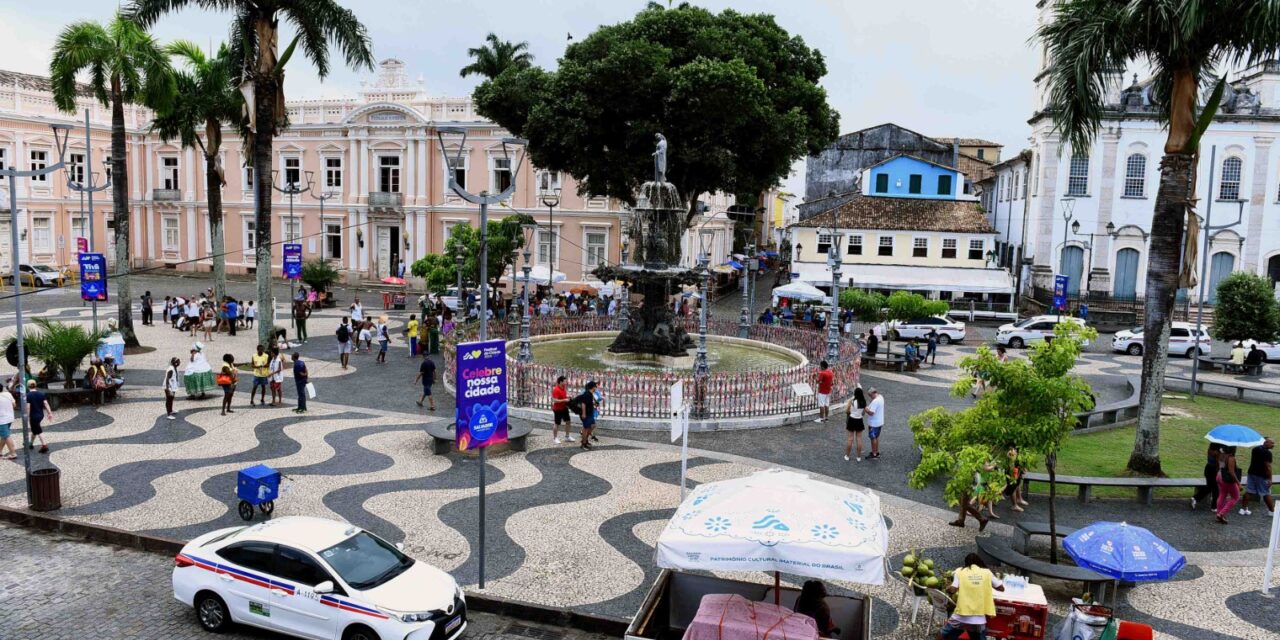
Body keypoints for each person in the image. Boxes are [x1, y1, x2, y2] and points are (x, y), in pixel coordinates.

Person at [941, 554, 1004, 640]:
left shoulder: (960, 571)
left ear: (966, 563)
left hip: (961, 614)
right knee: (977, 636)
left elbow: (953, 590)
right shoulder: (987, 572)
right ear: (979, 562)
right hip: (979, 617)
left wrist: (947, 588)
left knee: (944, 633)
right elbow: (1001, 588)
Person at [1241, 437, 1275, 516]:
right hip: (1262, 476)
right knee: (1266, 493)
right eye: (1271, 443)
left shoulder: (1255, 449)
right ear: (1265, 442)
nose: (1273, 445)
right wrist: (1270, 479)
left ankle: (1243, 509)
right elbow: (1268, 467)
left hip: (1252, 473)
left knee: (1249, 491)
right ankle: (1272, 512)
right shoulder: (1267, 453)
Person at [1192, 441, 1223, 510]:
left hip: (1208, 468)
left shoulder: (1209, 450)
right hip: (1214, 470)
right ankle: (1214, 506)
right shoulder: (1217, 453)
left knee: (1211, 487)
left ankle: (1196, 498)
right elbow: (1218, 464)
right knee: (1215, 489)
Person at [1215, 446, 1242, 524]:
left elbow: (1219, 464)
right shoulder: (1231, 458)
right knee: (1235, 497)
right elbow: (1231, 472)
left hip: (1219, 476)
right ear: (1233, 449)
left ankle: (1219, 514)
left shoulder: (1221, 455)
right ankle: (1221, 514)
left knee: (1222, 495)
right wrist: (1238, 483)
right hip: (1227, 479)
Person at [25, 380, 52, 453]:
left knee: (38, 430)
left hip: (33, 416)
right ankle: (31, 443)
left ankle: (44, 445)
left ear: (27, 386)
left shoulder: (28, 395)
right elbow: (46, 403)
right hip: (40, 415)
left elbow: (28, 407)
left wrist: (26, 416)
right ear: (35, 385)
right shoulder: (41, 394)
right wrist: (49, 413)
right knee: (34, 429)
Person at [570, 381, 599, 450]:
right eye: (595, 387)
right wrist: (583, 413)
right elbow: (583, 404)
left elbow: (588, 403)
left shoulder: (590, 394)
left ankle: (585, 440)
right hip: (586, 414)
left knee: (592, 426)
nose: (596, 388)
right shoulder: (587, 394)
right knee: (585, 429)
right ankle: (583, 444)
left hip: (590, 413)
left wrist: (594, 404)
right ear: (593, 387)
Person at [1002, 447, 1028, 512]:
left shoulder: (1017, 449)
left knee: (1017, 484)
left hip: (1016, 469)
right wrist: (1014, 473)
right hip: (1012, 470)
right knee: (1012, 486)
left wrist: (1022, 468)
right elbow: (1011, 463)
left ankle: (1019, 499)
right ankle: (1014, 505)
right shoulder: (1011, 451)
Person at [551, 376, 575, 444]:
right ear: (561, 382)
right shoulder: (556, 389)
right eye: (565, 381)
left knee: (568, 421)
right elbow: (555, 400)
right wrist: (564, 400)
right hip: (558, 409)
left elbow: (563, 396)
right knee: (557, 423)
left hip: (564, 407)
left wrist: (568, 396)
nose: (566, 382)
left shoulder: (563, 388)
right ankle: (555, 438)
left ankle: (567, 437)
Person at [845, 386, 866, 462]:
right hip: (859, 420)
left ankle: (847, 456)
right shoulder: (863, 402)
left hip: (851, 419)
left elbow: (847, 411)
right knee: (859, 439)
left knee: (850, 439)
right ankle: (858, 457)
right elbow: (863, 413)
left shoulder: (852, 401)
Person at [864, 387, 884, 459]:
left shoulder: (875, 401)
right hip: (879, 421)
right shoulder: (881, 397)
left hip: (874, 423)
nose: (870, 397)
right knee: (877, 437)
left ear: (873, 393)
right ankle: (876, 451)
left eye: (870, 396)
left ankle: (874, 453)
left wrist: (865, 408)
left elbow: (871, 413)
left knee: (873, 438)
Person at [0, 384, 17, 459]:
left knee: (6, 436)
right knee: (4, 435)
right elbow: (14, 405)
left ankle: (13, 453)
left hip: (2, 420)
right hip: (10, 417)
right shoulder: (8, 394)